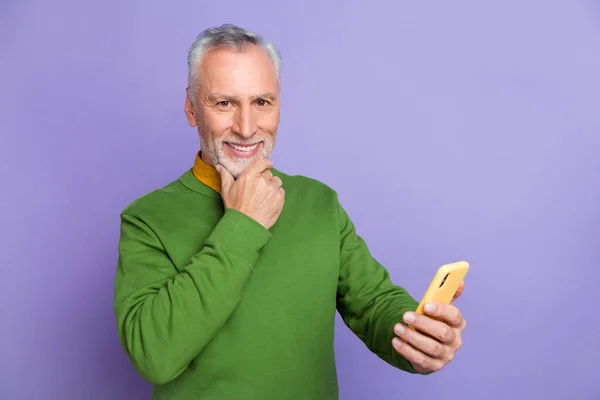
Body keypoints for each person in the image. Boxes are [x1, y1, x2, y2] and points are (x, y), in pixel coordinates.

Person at [113, 23, 467, 400]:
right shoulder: (147, 218)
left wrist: (418, 335)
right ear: (191, 108)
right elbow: (154, 355)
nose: (246, 128)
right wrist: (243, 224)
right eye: (224, 103)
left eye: (261, 102)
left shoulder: (319, 203)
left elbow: (376, 303)